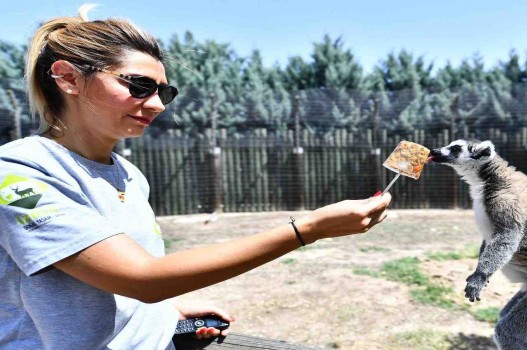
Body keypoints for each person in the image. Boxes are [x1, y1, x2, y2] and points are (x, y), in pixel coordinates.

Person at [0, 6, 392, 350]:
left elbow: (114, 283)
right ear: (68, 79)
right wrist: (307, 229)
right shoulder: (19, 174)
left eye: (163, 92)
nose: (155, 104)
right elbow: (141, 278)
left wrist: (167, 309)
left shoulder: (130, 175)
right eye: (138, 85)